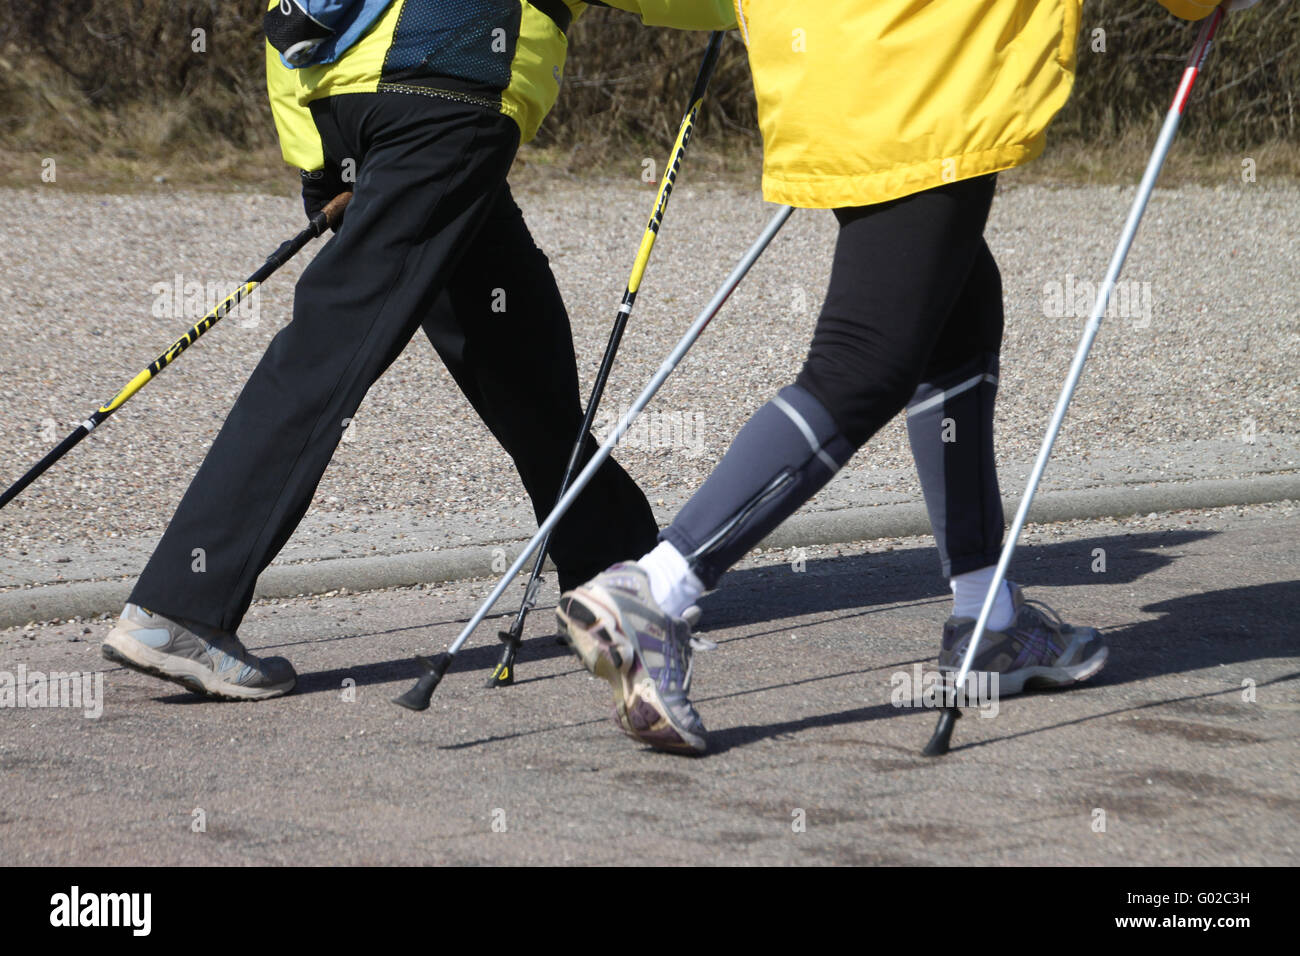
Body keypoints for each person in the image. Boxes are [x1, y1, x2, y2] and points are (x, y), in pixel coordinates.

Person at [556, 0, 1231, 754]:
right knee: (865, 359)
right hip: (927, 64)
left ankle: (990, 621)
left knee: (956, 301)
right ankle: (655, 590)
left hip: (842, 61)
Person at [101, 0, 734, 700]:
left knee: (515, 344)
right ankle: (179, 605)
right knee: (330, 350)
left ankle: (615, 577)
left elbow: (289, 19)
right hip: (448, 98)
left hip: (359, 105)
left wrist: (324, 159)